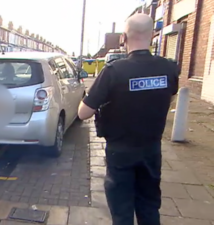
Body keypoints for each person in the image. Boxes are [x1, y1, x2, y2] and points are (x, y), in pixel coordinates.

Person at [77, 13, 179, 225]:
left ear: (124, 37)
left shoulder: (114, 71)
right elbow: (170, 98)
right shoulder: (168, 68)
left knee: (122, 212)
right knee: (149, 207)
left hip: (120, 152)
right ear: (152, 36)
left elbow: (83, 113)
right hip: (151, 149)